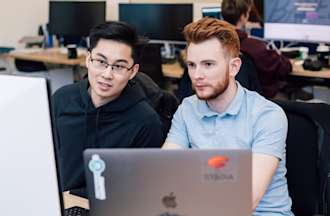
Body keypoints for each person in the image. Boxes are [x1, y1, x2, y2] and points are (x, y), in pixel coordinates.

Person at [163, 18, 293, 215]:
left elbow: (245, 200)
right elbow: (165, 170)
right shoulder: (187, 109)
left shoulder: (268, 116)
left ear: (234, 67)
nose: (197, 75)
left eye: (208, 64)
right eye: (192, 65)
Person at [52, 21, 163, 197]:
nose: (107, 74)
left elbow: (143, 189)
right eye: (101, 62)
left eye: (118, 66)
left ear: (132, 71)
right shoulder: (62, 100)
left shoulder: (146, 122)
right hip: (60, 202)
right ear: (88, 59)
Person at [221, 0, 292, 98]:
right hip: (260, 100)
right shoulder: (254, 46)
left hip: (225, 98)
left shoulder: (216, 44)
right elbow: (284, 68)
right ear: (244, 17)